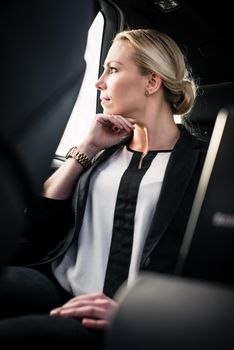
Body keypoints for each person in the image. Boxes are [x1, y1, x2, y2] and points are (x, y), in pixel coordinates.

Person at [0, 28, 207, 345]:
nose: (99, 83)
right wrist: (87, 147)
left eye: (112, 70)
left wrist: (136, 313)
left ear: (151, 82)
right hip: (57, 286)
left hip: (125, 315)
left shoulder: (205, 163)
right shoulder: (104, 150)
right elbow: (41, 221)